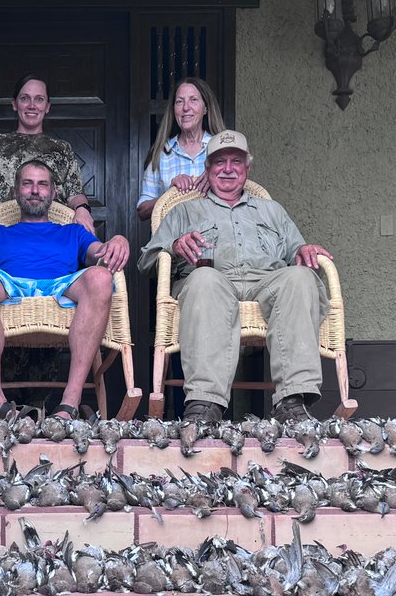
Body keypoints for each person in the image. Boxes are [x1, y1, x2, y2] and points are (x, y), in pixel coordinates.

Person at [138, 130, 333, 426]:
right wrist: (175, 246)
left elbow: (296, 249)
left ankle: (292, 402)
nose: (227, 168)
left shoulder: (272, 210)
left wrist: (304, 248)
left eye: (236, 161)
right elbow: (146, 260)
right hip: (213, 281)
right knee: (204, 280)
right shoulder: (185, 210)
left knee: (301, 278)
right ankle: (205, 404)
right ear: (207, 169)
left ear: (247, 168)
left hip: (266, 281)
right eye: (219, 162)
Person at [0, 160, 129, 419]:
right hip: (9, 284)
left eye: (42, 184)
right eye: (27, 183)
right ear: (15, 192)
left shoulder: (74, 232)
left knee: (101, 277)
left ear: (53, 193)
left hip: (60, 286)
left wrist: (119, 240)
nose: (35, 190)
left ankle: (70, 402)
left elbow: (100, 254)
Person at [0, 75, 96, 235]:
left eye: (39, 99)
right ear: (15, 104)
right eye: (25, 98)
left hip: (54, 233)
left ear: (47, 106)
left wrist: (82, 209)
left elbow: (75, 193)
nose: (32, 105)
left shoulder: (62, 148)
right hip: (4, 233)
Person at [136, 77, 226, 220]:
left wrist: (218, 183)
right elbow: (142, 211)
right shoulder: (161, 153)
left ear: (206, 108)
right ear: (174, 109)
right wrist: (169, 195)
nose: (185, 107)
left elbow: (242, 196)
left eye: (193, 100)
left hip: (218, 239)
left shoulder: (223, 149)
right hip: (172, 240)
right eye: (179, 101)